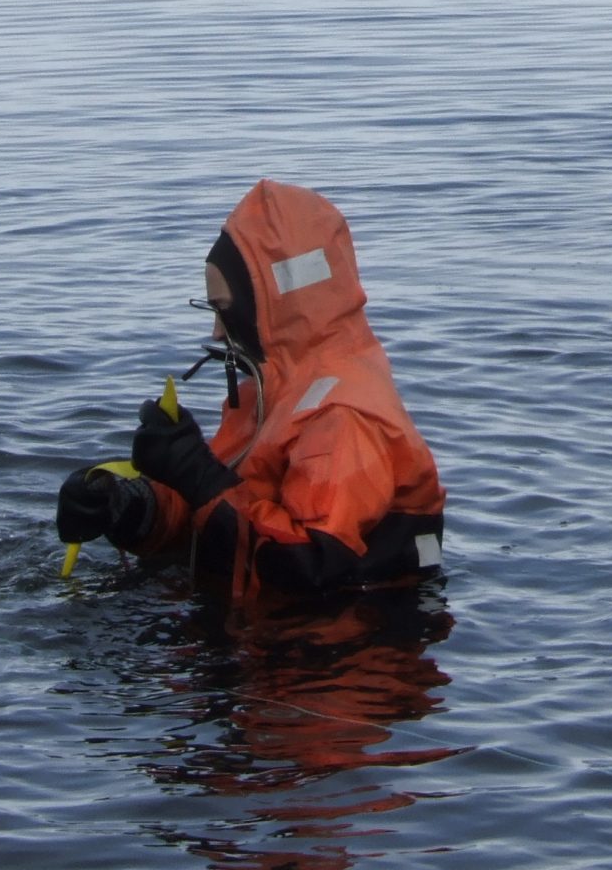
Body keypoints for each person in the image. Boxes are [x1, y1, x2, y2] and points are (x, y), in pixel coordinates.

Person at [56, 180, 447, 595]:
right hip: (258, 627)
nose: (216, 331)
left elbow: (310, 569)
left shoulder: (343, 418)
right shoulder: (271, 396)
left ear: (271, 306)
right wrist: (127, 505)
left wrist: (196, 474)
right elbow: (208, 518)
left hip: (342, 645)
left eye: (225, 310)